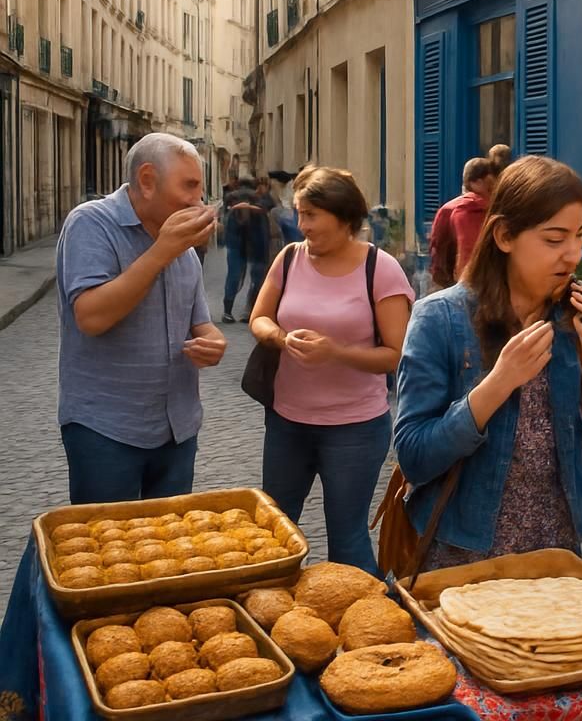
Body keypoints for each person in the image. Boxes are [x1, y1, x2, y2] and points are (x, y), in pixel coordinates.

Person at [395, 156, 582, 567]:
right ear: (503, 235)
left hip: (557, 549)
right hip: (464, 554)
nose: (573, 255)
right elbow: (415, 456)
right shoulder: (440, 318)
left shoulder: (574, 318)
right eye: (554, 240)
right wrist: (499, 382)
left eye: (580, 237)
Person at [248, 166, 413, 575]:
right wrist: (281, 339)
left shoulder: (381, 267)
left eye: (311, 216)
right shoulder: (289, 258)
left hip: (354, 428)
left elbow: (397, 353)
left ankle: (368, 626)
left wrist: (335, 352)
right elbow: (259, 318)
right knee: (275, 531)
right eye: (300, 214)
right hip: (287, 421)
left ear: (343, 218)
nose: (301, 225)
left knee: (348, 538)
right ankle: (275, 622)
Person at [55, 133, 227, 504]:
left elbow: (200, 322)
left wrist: (214, 342)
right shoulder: (91, 223)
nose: (198, 199)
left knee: (167, 553)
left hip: (177, 430)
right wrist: (162, 251)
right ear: (148, 180)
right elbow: (91, 317)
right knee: (106, 550)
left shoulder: (183, 246)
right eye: (190, 186)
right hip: (106, 430)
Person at [427, 157, 498, 290]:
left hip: (450, 282)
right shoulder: (471, 209)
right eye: (490, 187)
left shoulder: (447, 209)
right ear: (476, 183)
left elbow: (436, 248)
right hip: (473, 285)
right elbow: (468, 251)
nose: (494, 191)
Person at [221, 174, 272, 322]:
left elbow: (227, 217)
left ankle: (227, 312)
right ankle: (250, 311)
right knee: (257, 277)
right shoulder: (260, 198)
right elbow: (269, 207)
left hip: (236, 242)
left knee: (234, 276)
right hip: (257, 243)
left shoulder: (231, 197)